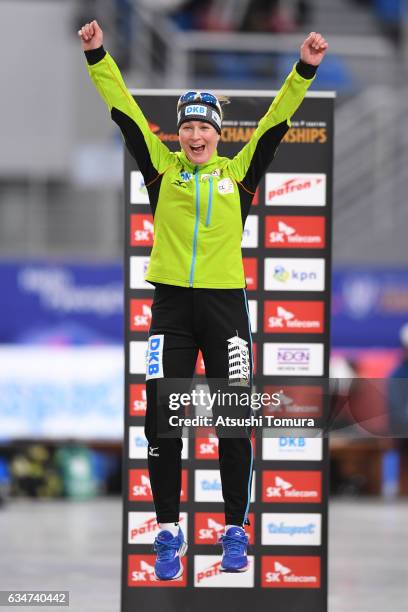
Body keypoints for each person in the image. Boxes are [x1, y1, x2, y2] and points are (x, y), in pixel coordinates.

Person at [78, 20, 328, 580]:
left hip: (225, 313)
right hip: (171, 308)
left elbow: (276, 122)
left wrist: (304, 68)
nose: (195, 135)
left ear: (218, 134)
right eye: (187, 125)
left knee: (232, 422)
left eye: (204, 128)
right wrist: (97, 54)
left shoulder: (238, 175)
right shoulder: (162, 170)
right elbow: (123, 110)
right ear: (179, 132)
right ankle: (169, 531)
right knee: (161, 421)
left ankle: (234, 531)